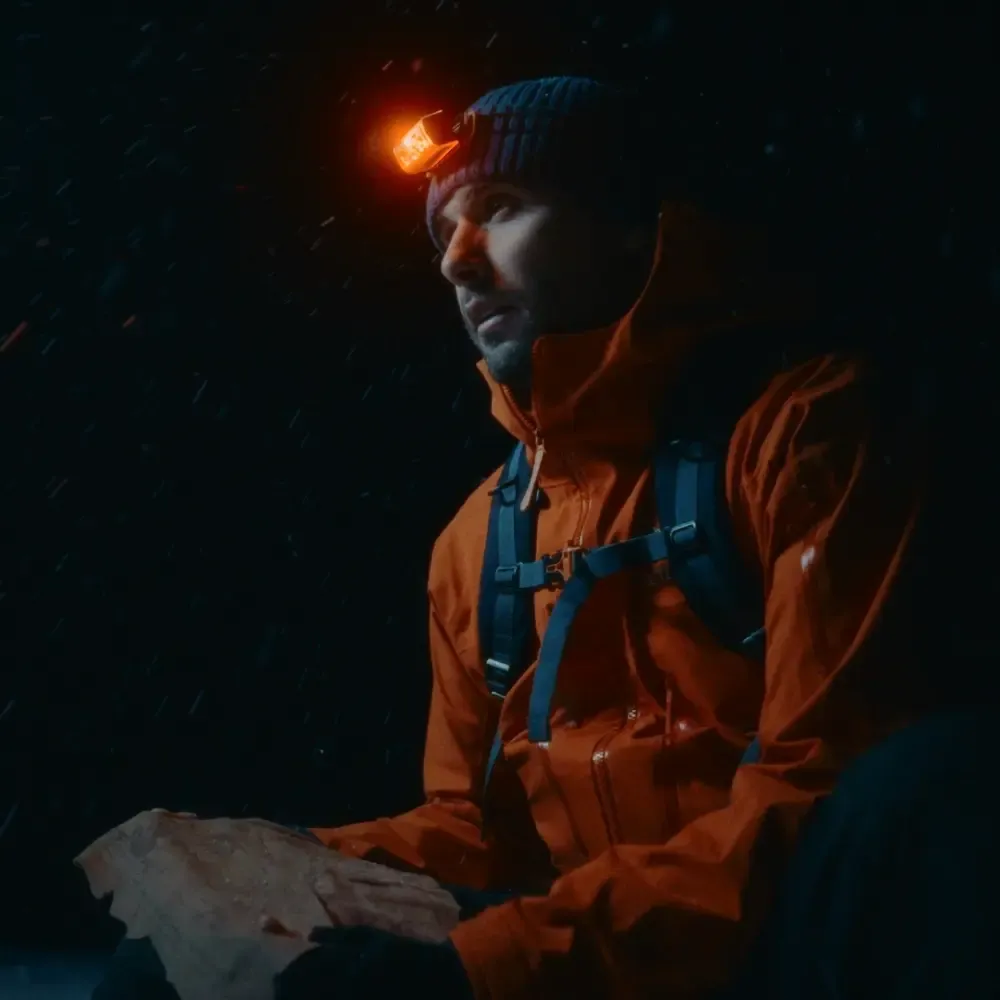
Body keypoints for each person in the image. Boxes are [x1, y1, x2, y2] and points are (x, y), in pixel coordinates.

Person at [94, 77, 999, 1000]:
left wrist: (483, 967)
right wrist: (276, 865)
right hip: (582, 951)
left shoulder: (807, 434)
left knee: (935, 776)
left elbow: (824, 793)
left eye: (500, 208)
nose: (458, 263)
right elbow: (481, 832)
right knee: (173, 969)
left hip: (774, 951)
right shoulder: (477, 537)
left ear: (629, 222)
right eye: (442, 234)